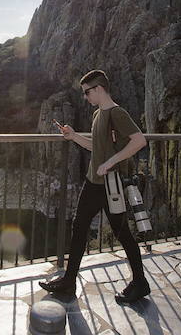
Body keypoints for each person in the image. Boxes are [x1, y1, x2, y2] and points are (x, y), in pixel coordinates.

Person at [40, 69, 150, 304]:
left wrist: (111, 162)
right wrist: (72, 136)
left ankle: (140, 282)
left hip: (110, 185)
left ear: (99, 89)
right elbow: (96, 147)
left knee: (123, 234)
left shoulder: (116, 113)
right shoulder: (98, 114)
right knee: (79, 227)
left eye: (87, 92)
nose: (86, 97)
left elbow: (139, 140)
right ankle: (69, 282)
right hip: (94, 182)